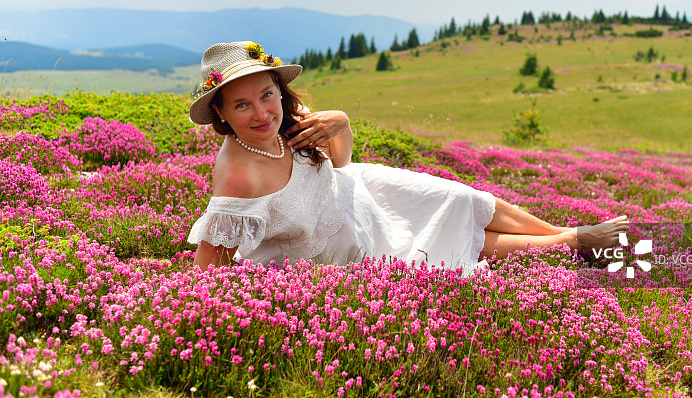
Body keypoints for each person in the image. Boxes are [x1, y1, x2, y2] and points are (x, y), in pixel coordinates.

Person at [187, 41, 628, 272]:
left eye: (267, 95)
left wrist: (340, 123)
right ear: (221, 114)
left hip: (361, 189)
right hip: (346, 246)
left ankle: (569, 233)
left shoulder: (288, 119)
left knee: (458, 200)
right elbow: (208, 274)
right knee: (447, 246)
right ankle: (573, 244)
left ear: (277, 89)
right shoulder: (238, 177)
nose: (263, 112)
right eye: (242, 105)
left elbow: (340, 162)